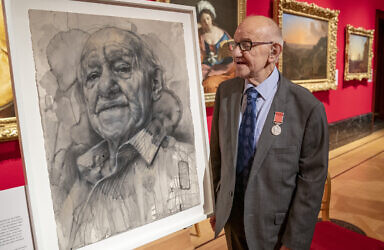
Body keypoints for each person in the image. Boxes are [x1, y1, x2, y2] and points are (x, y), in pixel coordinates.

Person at [54, 27, 200, 249]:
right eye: (92, 76)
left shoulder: (189, 165)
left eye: (122, 68)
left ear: (155, 83)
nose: (105, 87)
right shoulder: (79, 185)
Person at [209, 15, 329, 250]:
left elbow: (311, 183)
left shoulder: (307, 108)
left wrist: (294, 242)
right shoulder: (226, 92)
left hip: (275, 231)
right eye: (235, 44)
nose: (235, 54)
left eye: (246, 45)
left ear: (274, 52)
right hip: (233, 223)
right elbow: (217, 156)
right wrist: (216, 204)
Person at [197, 0, 235, 94]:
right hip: (206, 69)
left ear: (212, 18)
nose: (206, 22)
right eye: (203, 20)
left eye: (207, 18)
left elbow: (231, 53)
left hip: (224, 68)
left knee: (210, 85)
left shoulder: (222, 33)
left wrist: (228, 54)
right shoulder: (199, 34)